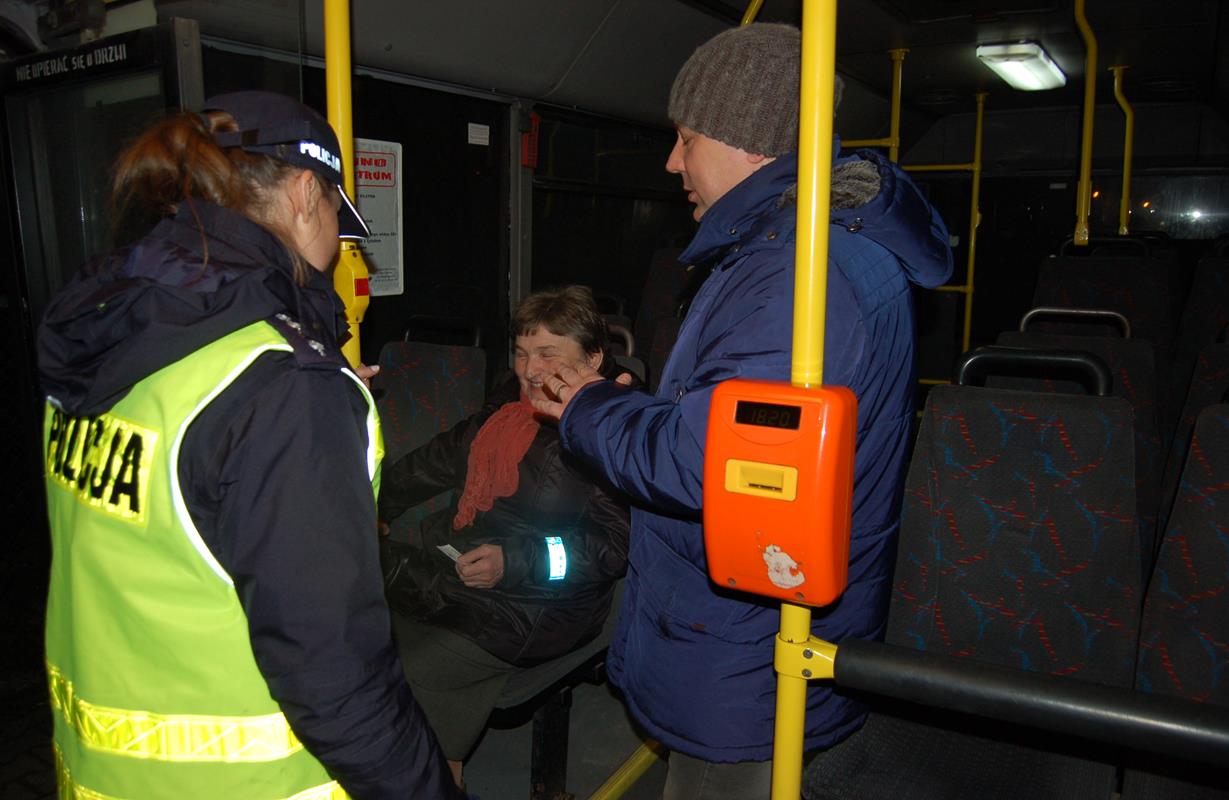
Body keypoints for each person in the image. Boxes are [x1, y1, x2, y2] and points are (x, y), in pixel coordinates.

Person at [530, 23, 954, 798]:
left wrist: (588, 406)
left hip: (747, 641)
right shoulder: (805, 246)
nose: (672, 162)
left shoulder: (793, 272)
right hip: (749, 619)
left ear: (746, 139)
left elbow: (713, 466)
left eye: (685, 138)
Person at [38, 91, 461, 799]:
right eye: (335, 213)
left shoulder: (116, 336)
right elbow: (336, 682)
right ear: (304, 194)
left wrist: (290, 398)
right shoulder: (280, 389)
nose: (338, 242)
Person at [378, 285, 632, 789]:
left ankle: (432, 772)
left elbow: (612, 547)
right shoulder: (505, 411)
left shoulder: (613, 429)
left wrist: (515, 560)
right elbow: (432, 463)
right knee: (366, 637)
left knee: (416, 670)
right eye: (520, 353)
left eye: (547, 354)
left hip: (548, 602)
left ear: (594, 358)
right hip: (468, 572)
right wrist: (372, 506)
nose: (530, 369)